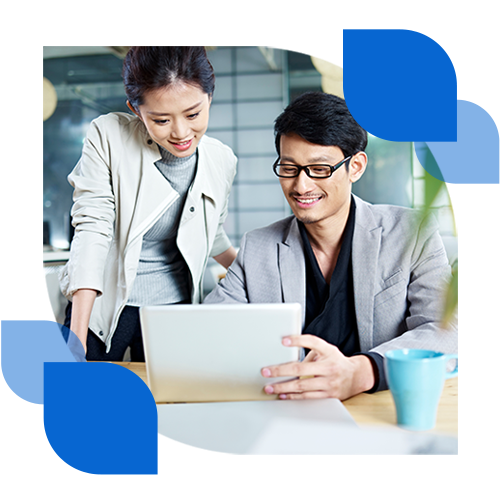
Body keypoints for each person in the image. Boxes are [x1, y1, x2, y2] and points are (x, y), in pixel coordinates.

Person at [204, 91, 458, 401]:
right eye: (289, 168)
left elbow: (445, 331)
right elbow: (212, 329)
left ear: (356, 167)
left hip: (379, 406)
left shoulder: (411, 233)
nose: (301, 185)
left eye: (320, 169)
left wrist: (362, 372)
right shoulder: (259, 246)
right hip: (285, 405)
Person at [60, 46, 238, 361]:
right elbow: (92, 231)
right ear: (136, 110)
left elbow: (213, 235)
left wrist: (252, 274)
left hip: (172, 311)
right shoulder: (108, 136)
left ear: (209, 97)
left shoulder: (221, 159)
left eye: (193, 114)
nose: (181, 132)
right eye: (161, 119)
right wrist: (77, 335)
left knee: (168, 403)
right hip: (104, 304)